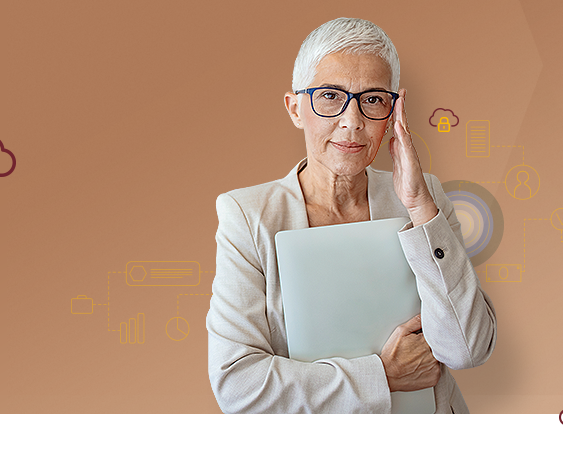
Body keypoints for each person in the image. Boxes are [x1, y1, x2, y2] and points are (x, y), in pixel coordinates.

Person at [206, 17, 497, 413]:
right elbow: (238, 386)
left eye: (373, 99)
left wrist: (419, 204)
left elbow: (467, 349)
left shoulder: (423, 200)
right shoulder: (249, 215)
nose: (352, 121)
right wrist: (382, 374)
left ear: (394, 112)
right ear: (295, 108)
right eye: (330, 96)